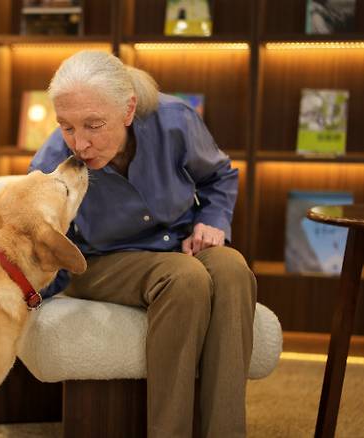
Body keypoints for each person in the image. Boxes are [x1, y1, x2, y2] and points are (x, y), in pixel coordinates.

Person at [29, 50, 257, 437]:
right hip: (98, 262)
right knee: (184, 277)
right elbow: (41, 241)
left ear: (128, 109)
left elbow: (219, 176)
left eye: (93, 125)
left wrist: (211, 221)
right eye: (66, 126)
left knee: (233, 269)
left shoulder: (175, 120)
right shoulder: (54, 160)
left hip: (178, 243)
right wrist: (27, 294)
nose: (79, 143)